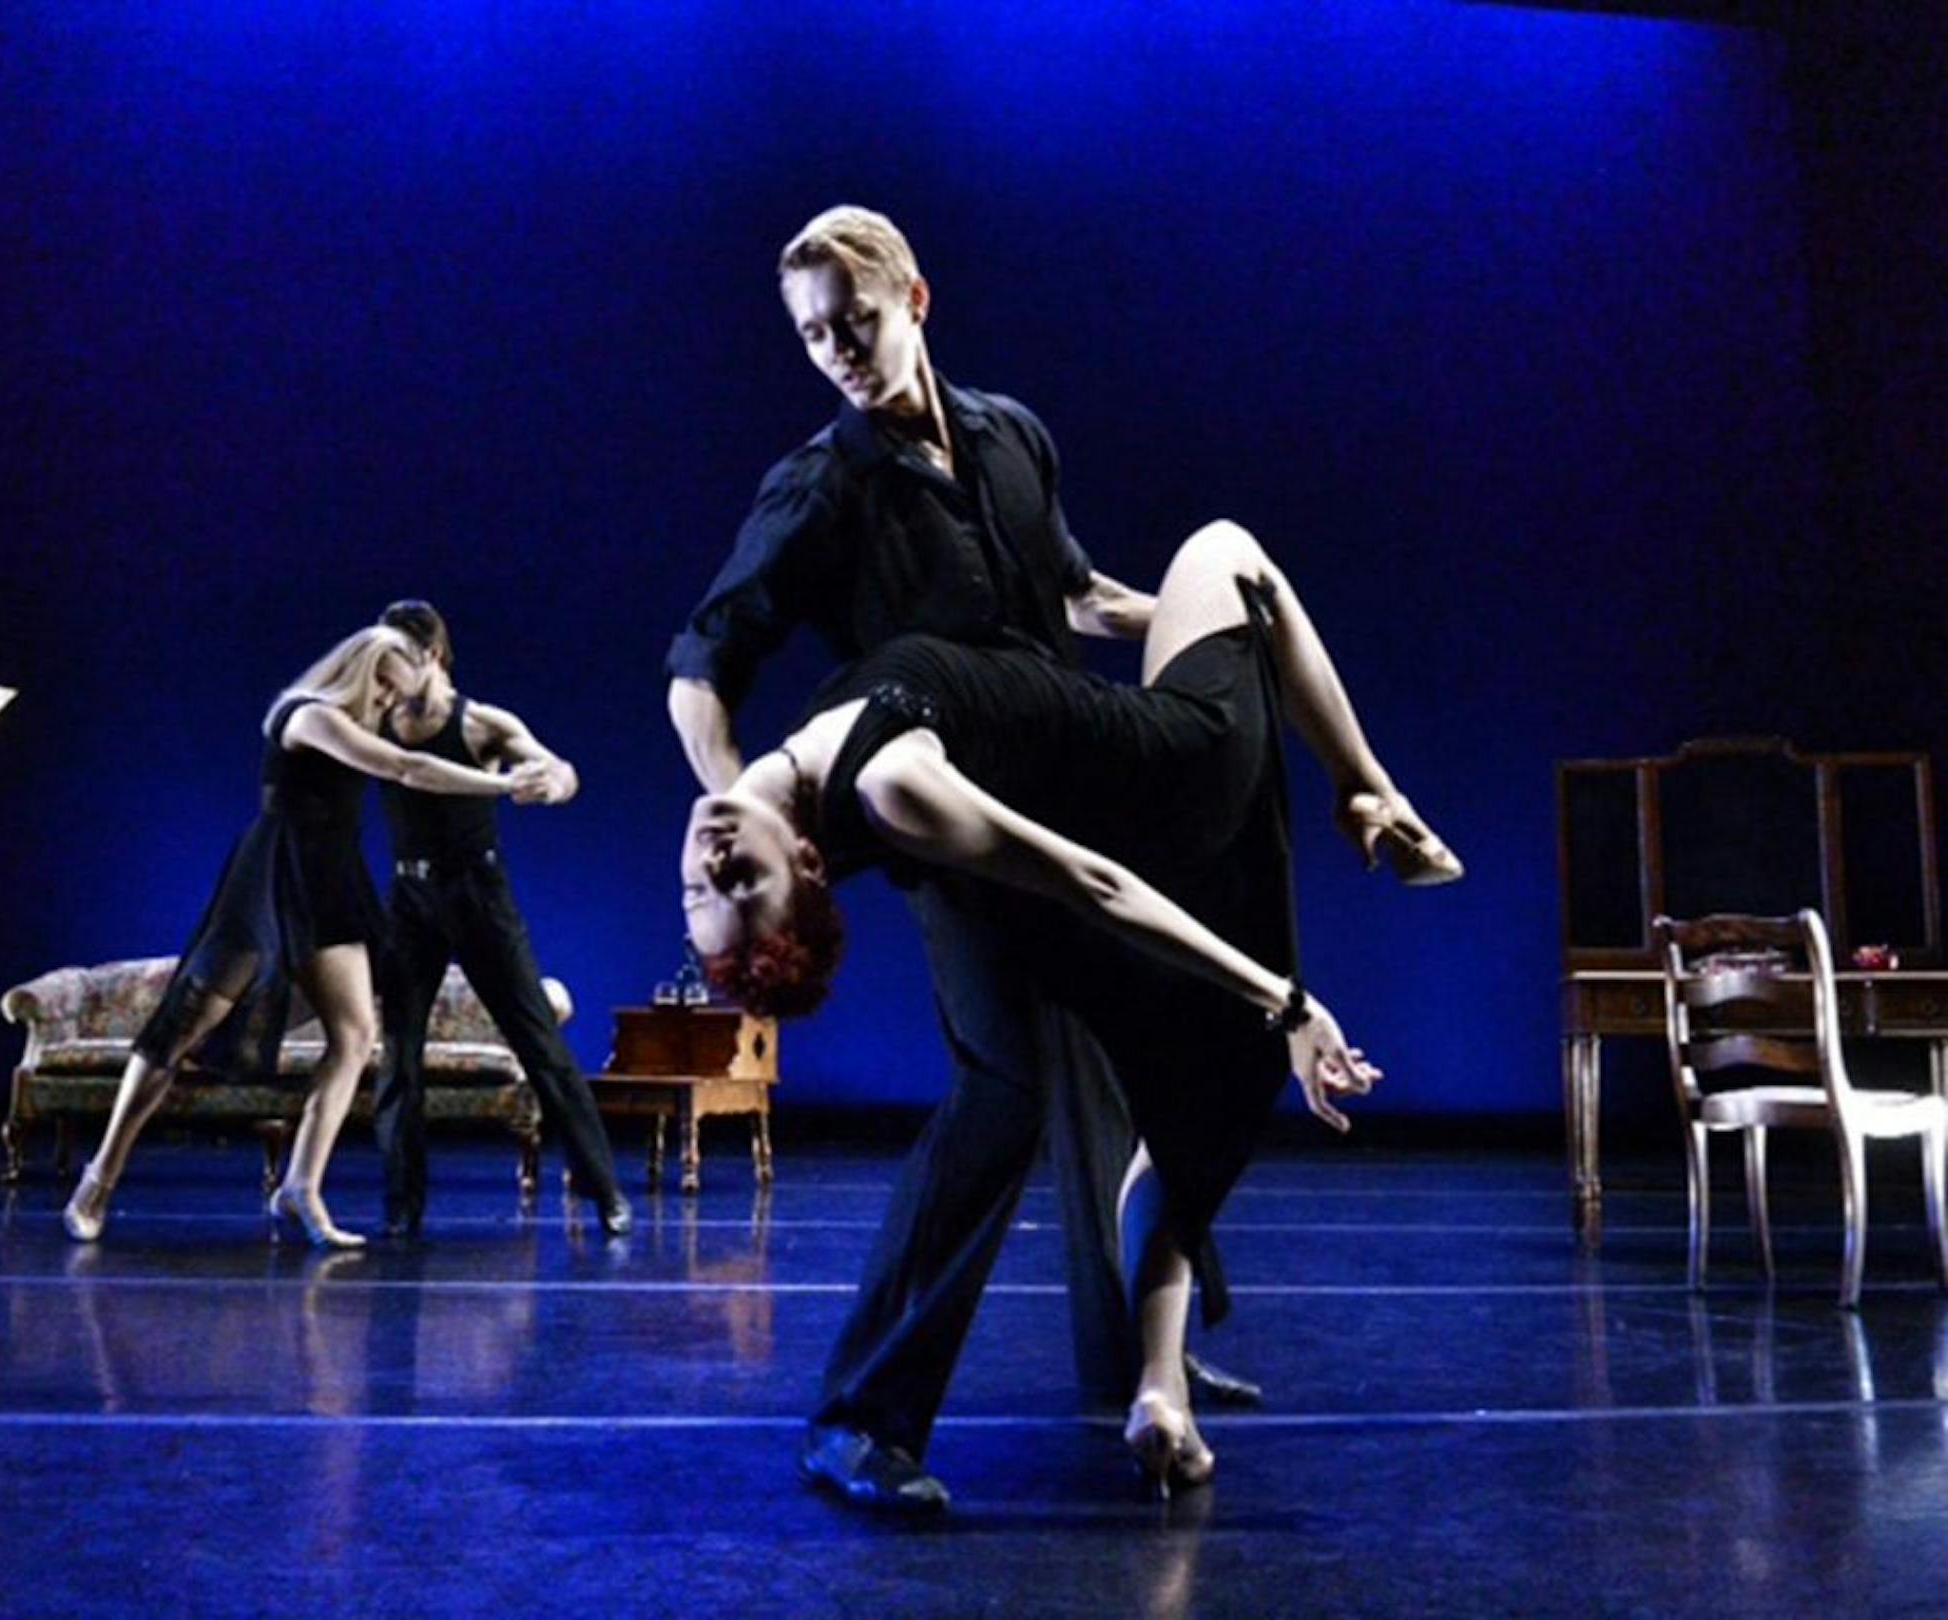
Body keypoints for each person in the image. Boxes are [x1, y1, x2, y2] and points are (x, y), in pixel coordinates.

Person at [666, 205, 1252, 1514]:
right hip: (933, 809)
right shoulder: (818, 488)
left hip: (1056, 783)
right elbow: (703, 664)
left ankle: (1134, 1356)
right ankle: (858, 1418)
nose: (835, 353)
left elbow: (1079, 598)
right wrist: (747, 824)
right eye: (812, 336)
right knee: (1003, 1092)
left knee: (1119, 1051)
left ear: (913, 299)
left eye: (853, 324)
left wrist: (1229, 631)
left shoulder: (1010, 435)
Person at [681, 517, 1461, 1502]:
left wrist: (1126, 613)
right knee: (1223, 550)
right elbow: (1094, 884)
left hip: (1130, 785)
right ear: (804, 867)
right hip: (1178, 768)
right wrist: (1284, 999)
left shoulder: (745, 784)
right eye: (739, 882)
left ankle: (1154, 1378)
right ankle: (1369, 790)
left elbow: (706, 694)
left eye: (702, 894)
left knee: (1154, 1098)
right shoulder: (891, 788)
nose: (711, 861)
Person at [61, 625, 547, 1248]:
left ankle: (300, 1188)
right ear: (361, 671)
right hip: (271, 876)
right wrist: (503, 786)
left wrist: (529, 763)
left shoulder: (359, 723)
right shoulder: (306, 716)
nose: (390, 704)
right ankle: (99, 1179)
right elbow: (404, 766)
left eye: (397, 694)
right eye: (385, 687)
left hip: (330, 880)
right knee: (183, 1028)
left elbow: (430, 747)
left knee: (355, 1034)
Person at [371, 600, 629, 1240]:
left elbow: (558, 770)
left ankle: (607, 1195)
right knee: (398, 1057)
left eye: (398, 660)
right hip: (409, 898)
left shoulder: (481, 723)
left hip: (476, 896)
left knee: (539, 1043)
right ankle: (403, 1210)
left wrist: (555, 783)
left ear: (431, 655)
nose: (387, 675)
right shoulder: (374, 722)